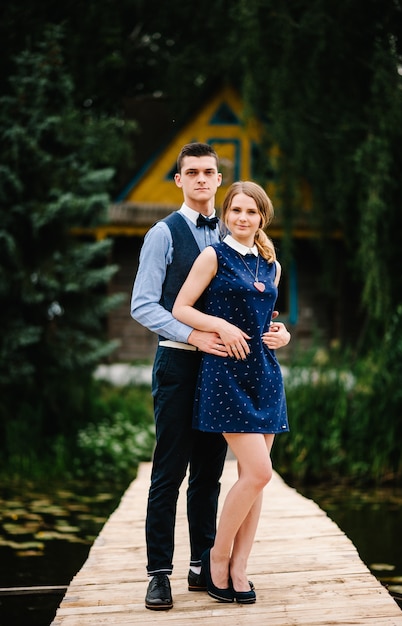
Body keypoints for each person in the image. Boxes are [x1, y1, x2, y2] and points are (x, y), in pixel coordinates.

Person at [172, 180, 291, 604]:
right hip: (225, 374)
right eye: (236, 210)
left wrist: (283, 334)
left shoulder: (270, 263)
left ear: (262, 217)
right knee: (260, 472)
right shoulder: (212, 256)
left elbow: (270, 319)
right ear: (226, 215)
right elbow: (181, 308)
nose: (243, 218)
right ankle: (215, 560)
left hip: (265, 375)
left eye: (252, 212)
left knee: (252, 480)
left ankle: (240, 567)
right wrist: (218, 325)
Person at [131, 142, 231, 611]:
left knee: (210, 472)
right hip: (177, 362)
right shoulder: (162, 234)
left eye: (208, 172)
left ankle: (202, 566)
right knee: (169, 472)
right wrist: (193, 337)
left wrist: (278, 330)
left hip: (221, 368)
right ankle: (158, 574)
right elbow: (143, 305)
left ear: (218, 178)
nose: (201, 180)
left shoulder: (233, 233)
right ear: (179, 180)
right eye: (191, 172)